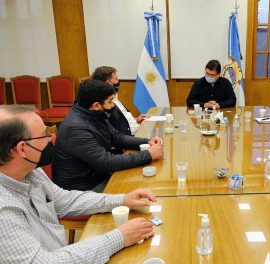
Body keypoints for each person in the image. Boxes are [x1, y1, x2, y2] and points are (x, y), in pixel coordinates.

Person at [0, 104, 156, 263]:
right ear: (22, 149)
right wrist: (119, 237)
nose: (52, 139)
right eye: (45, 135)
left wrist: (122, 200)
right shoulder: (3, 210)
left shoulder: (30, 172)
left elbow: (63, 200)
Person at [53, 80, 163, 191]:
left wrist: (147, 142)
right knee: (143, 186)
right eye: (110, 101)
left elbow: (117, 137)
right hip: (83, 189)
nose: (113, 105)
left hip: (97, 175)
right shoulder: (76, 128)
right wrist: (148, 155)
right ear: (96, 105)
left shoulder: (93, 114)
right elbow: (106, 162)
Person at [92, 66, 149, 135]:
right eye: (116, 79)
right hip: (130, 137)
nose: (118, 81)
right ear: (108, 83)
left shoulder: (114, 96)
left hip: (136, 130)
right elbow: (117, 131)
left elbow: (121, 120)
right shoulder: (104, 103)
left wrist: (136, 120)